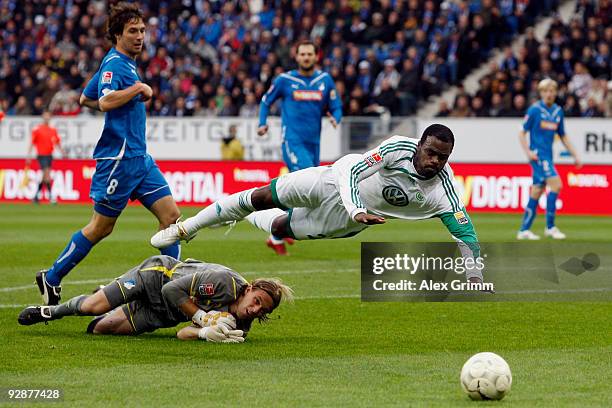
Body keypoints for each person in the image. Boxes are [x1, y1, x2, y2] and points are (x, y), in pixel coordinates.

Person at [152, 124, 485, 283]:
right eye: (430, 153)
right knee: (262, 196)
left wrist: (473, 271)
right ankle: (186, 228)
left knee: (282, 227)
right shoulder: (398, 147)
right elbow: (353, 170)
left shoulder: (443, 188)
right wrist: (356, 206)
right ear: (418, 147)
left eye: (442, 157)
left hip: (348, 220)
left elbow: (464, 231)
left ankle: (235, 216)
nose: (435, 161)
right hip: (333, 180)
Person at [35, 2, 183, 307]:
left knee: (171, 217)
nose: (140, 36)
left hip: (140, 159)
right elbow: (104, 101)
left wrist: (132, 88)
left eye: (142, 30)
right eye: (133, 31)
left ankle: (172, 282)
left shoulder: (124, 63)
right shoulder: (115, 64)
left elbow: (85, 98)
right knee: (101, 227)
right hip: (118, 159)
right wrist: (138, 89)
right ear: (117, 34)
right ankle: (51, 276)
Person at [18, 255, 293, 343]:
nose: (254, 310)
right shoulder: (224, 283)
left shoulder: (241, 326)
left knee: (100, 329)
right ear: (249, 289)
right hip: (156, 277)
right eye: (256, 301)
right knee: (92, 307)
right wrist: (201, 317)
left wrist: (205, 333)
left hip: (168, 313)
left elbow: (182, 334)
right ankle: (49, 312)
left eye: (261, 311)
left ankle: (112, 297)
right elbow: (171, 291)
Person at [257, 39, 343, 255]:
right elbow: (266, 100)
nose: (306, 57)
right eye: (302, 54)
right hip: (292, 141)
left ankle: (276, 234)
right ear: (296, 57)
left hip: (314, 143)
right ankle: (277, 226)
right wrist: (262, 122)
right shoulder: (285, 80)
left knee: (310, 192)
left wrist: (336, 117)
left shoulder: (325, 80)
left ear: (316, 56)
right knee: (310, 185)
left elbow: (336, 105)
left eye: (309, 54)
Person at [517, 78, 581, 240]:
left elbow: (563, 135)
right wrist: (528, 152)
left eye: (551, 90)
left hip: (548, 156)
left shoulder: (558, 111)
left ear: (555, 92)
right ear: (541, 93)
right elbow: (521, 132)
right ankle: (550, 227)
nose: (549, 94)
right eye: (545, 91)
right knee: (556, 185)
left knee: (537, 191)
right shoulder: (534, 110)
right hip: (538, 156)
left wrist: (575, 155)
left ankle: (524, 230)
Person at [26, 110, 65, 204]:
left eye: (48, 116)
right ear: (43, 117)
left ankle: (36, 197)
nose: (47, 117)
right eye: (45, 116)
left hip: (49, 155)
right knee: (47, 175)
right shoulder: (37, 129)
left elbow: (57, 142)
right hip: (41, 155)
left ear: (50, 117)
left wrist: (62, 152)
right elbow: (32, 143)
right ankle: (51, 197)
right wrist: (28, 155)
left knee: (45, 177)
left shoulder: (53, 130)